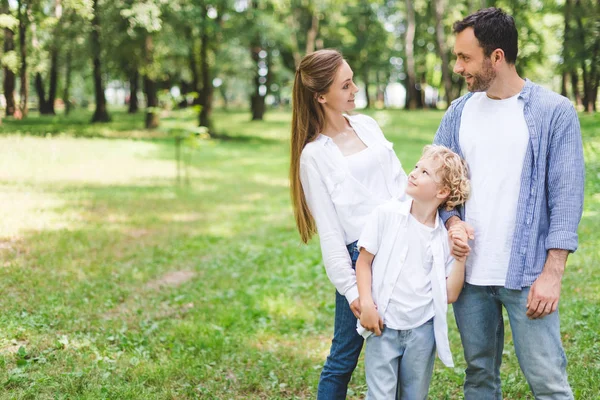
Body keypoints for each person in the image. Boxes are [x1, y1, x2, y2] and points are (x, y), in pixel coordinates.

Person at [434, 8, 585, 399]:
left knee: (548, 382)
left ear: (496, 57)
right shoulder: (458, 112)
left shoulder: (554, 112)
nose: (458, 67)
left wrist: (552, 273)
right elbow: (438, 182)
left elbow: (567, 198)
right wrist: (452, 223)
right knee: (480, 376)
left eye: (465, 57)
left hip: (528, 274)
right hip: (470, 277)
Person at [289, 49, 408, 399]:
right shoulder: (314, 156)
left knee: (400, 348)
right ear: (321, 96)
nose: (355, 89)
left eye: (352, 79)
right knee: (344, 356)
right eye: (346, 85)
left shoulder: (367, 125)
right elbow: (329, 233)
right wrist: (354, 291)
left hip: (400, 244)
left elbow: (400, 183)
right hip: (361, 261)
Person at [356, 145, 470, 399]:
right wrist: (366, 303)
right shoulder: (386, 215)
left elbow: (449, 294)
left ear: (442, 191)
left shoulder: (444, 238)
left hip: (421, 330)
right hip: (383, 325)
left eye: (425, 172)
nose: (414, 173)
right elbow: (363, 262)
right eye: (417, 167)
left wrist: (460, 259)